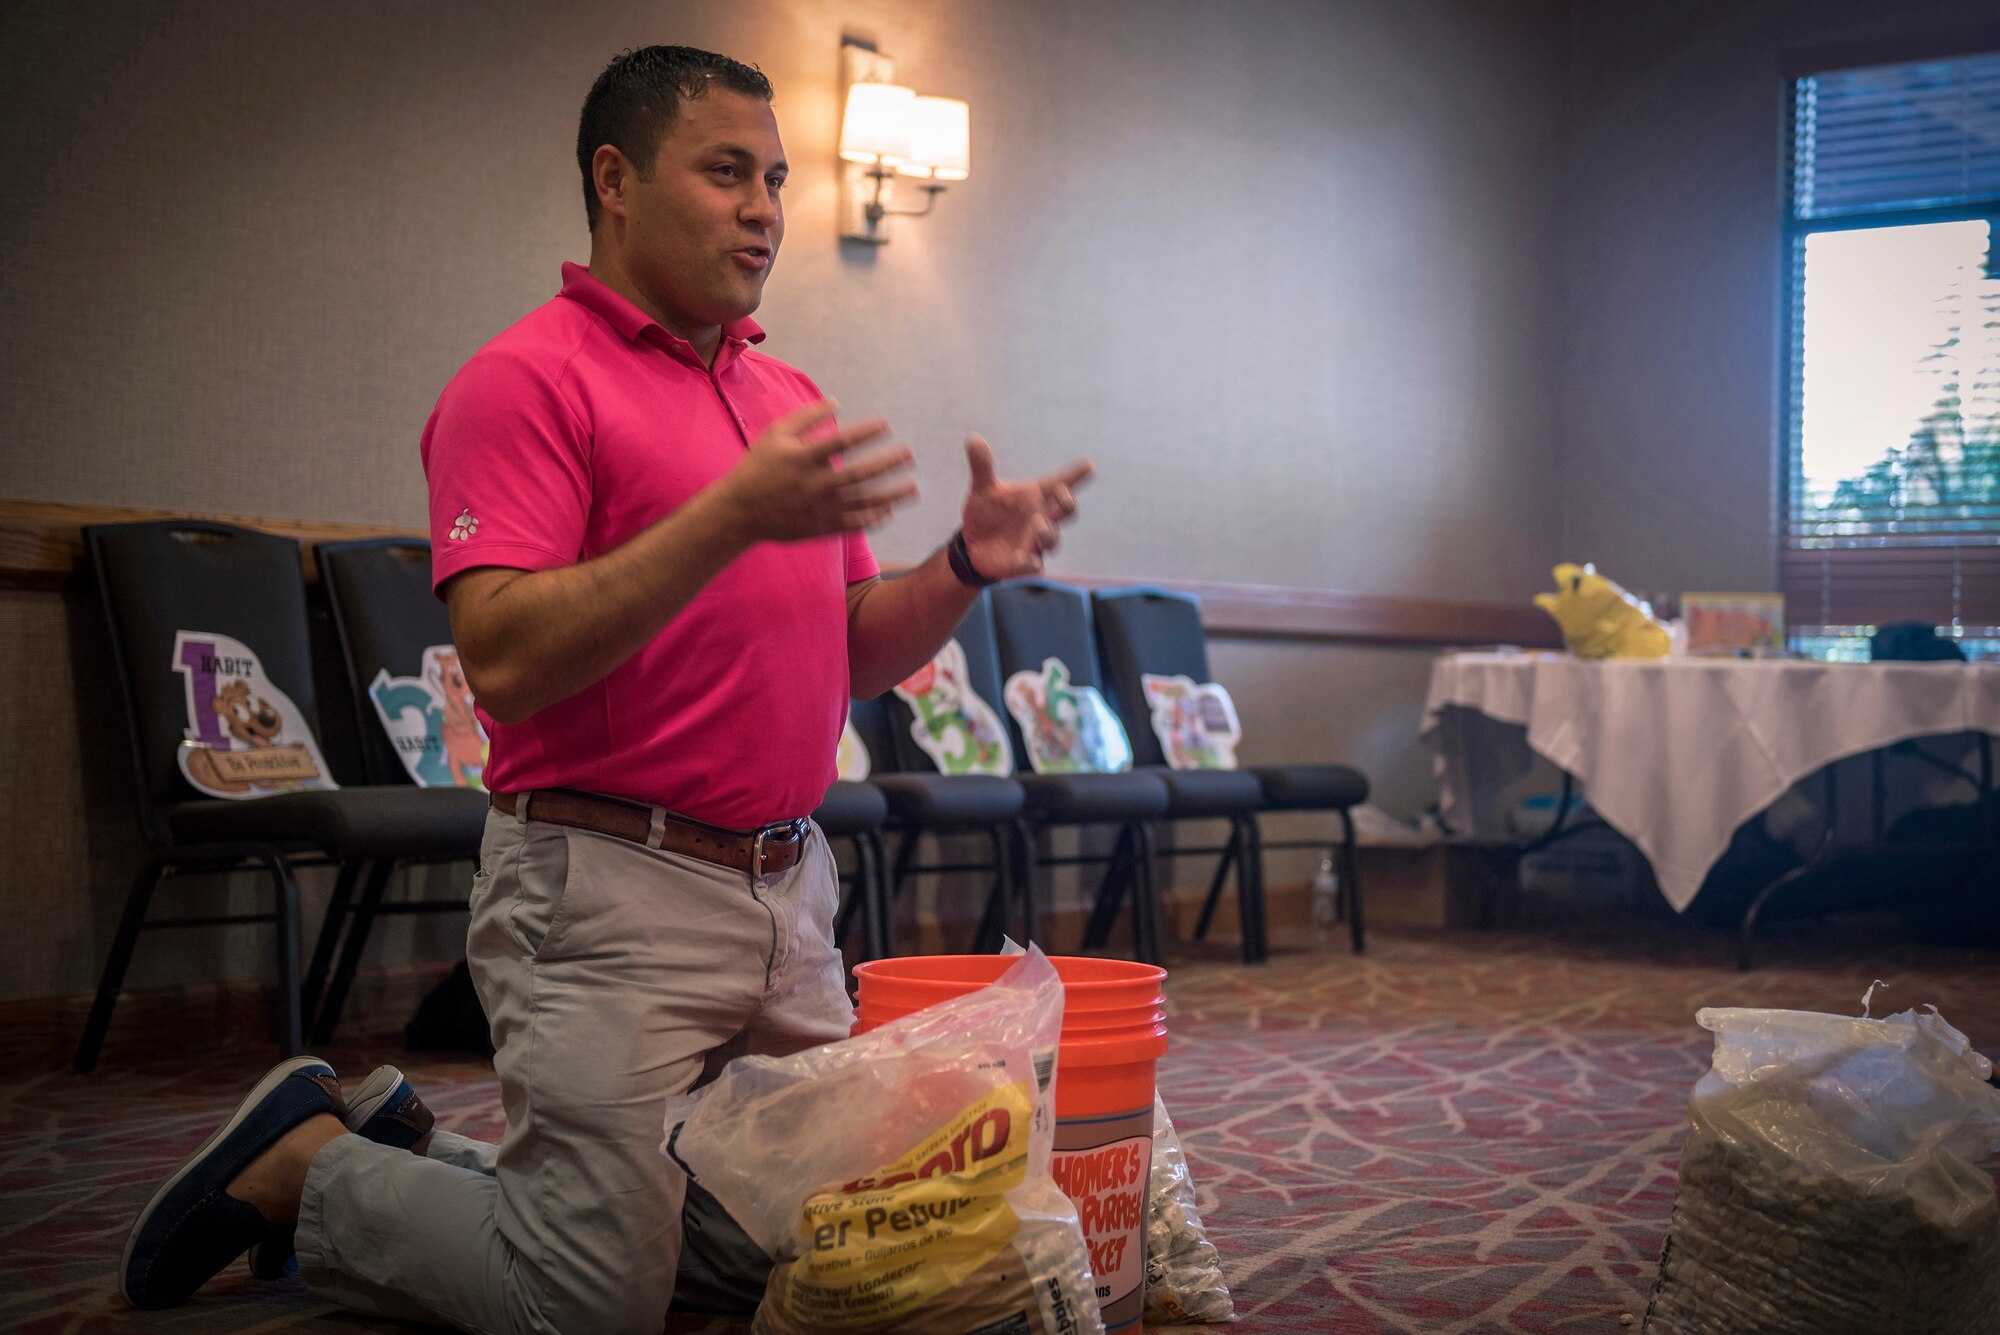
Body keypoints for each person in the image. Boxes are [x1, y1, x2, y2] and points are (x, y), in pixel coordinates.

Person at [119, 44, 1091, 1333]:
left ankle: (463, 1170)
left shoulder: (784, 393)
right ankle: (313, 1172)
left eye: (780, 179)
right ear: (616, 180)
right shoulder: (526, 380)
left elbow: (854, 646)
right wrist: (732, 518)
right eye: (727, 172)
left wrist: (966, 565)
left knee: (804, 1249)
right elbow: (509, 663)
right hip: (604, 893)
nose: (765, 209)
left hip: (788, 891)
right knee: (585, 1310)